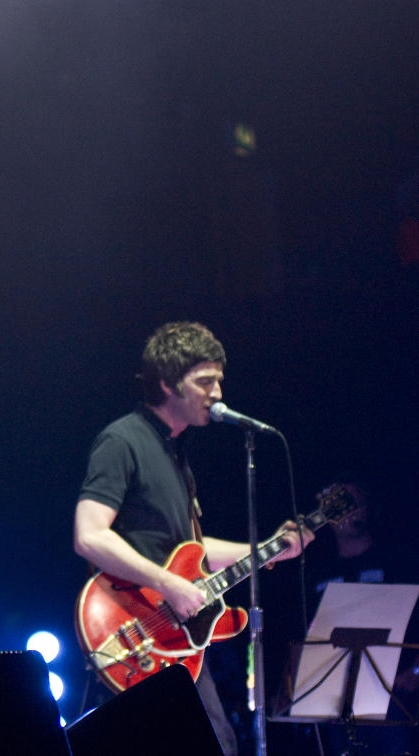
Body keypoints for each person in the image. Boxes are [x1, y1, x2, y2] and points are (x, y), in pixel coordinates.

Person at [73, 321, 310, 755]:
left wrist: (268, 549)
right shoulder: (122, 440)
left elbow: (193, 552)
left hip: (177, 637)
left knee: (218, 743)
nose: (218, 392)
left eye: (219, 380)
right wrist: (168, 584)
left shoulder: (176, 455)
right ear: (166, 383)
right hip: (136, 629)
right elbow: (89, 536)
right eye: (204, 381)